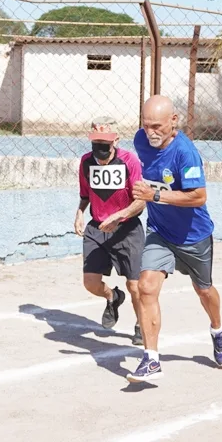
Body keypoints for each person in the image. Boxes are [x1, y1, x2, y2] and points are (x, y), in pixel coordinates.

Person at [127, 95, 222, 382]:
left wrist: (155, 195)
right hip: (160, 233)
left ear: (174, 121)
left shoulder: (186, 153)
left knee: (204, 291)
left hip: (193, 236)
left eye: (157, 126)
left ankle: (217, 329)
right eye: (146, 125)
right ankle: (151, 360)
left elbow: (199, 197)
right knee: (146, 287)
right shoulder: (140, 141)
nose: (151, 132)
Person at [74, 116, 146, 345]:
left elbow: (141, 202)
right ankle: (113, 297)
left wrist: (119, 216)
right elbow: (85, 195)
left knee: (135, 285)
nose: (100, 149)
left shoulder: (130, 161)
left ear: (116, 140)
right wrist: (79, 212)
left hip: (126, 228)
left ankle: (140, 323)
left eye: (105, 143)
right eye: (96, 142)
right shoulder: (86, 162)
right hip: (97, 228)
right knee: (90, 283)